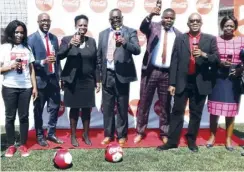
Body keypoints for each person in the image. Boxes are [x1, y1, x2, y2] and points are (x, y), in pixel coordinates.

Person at [156, 13, 219, 152]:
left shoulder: (210, 39)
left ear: (201, 23)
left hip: (200, 82)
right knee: (177, 111)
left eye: (197, 20)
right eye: (192, 21)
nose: (195, 22)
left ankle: (191, 140)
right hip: (182, 81)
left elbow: (217, 59)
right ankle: (172, 141)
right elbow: (174, 61)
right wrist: (172, 83)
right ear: (188, 23)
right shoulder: (180, 38)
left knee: (195, 113)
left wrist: (203, 55)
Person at [134, 7, 181, 144]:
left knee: (166, 105)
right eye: (166, 17)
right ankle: (140, 132)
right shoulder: (153, 27)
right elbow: (143, 27)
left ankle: (164, 132)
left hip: (167, 74)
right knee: (144, 102)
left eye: (171, 18)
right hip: (151, 71)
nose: (168, 20)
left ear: (174, 19)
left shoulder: (178, 34)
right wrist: (150, 15)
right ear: (162, 18)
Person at [97, 8, 141, 146]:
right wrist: (99, 77)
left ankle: (122, 135)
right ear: (109, 19)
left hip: (122, 75)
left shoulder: (130, 32)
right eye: (112, 18)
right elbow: (99, 57)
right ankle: (108, 135)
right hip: (107, 75)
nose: (115, 19)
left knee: (122, 107)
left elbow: (137, 50)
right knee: (108, 107)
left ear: (122, 17)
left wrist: (125, 42)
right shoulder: (103, 34)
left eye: (118, 17)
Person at [57, 14, 99, 147]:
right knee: (74, 110)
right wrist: (69, 45)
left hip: (88, 81)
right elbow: (59, 56)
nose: (82, 27)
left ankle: (86, 134)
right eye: (80, 25)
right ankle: (73, 136)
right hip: (72, 81)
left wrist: (98, 80)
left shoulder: (91, 41)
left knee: (86, 110)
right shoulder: (66, 39)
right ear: (75, 26)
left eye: (85, 25)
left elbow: (95, 62)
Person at [0, 20, 38, 157]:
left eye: (22, 32)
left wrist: (34, 87)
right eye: (16, 32)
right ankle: (11, 145)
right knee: (10, 117)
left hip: (25, 87)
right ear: (11, 32)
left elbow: (31, 69)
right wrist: (9, 67)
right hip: (9, 87)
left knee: (24, 116)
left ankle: (23, 144)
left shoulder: (27, 48)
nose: (19, 35)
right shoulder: (4, 48)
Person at [206, 16, 244, 151]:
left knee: (230, 111)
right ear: (222, 26)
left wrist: (241, 69)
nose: (229, 28)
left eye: (231, 25)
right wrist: (220, 63)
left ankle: (228, 139)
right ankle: (212, 136)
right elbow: (211, 57)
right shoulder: (215, 40)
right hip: (217, 77)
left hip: (233, 79)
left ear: (235, 27)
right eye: (226, 25)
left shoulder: (241, 40)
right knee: (214, 111)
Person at [28, 13, 63, 147]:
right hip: (39, 81)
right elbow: (29, 62)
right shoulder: (31, 39)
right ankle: (39, 135)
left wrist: (59, 77)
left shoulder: (54, 38)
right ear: (38, 22)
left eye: (48, 20)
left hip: (53, 80)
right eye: (43, 20)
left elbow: (58, 60)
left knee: (54, 108)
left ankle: (51, 133)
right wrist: (43, 61)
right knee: (38, 110)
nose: (46, 23)